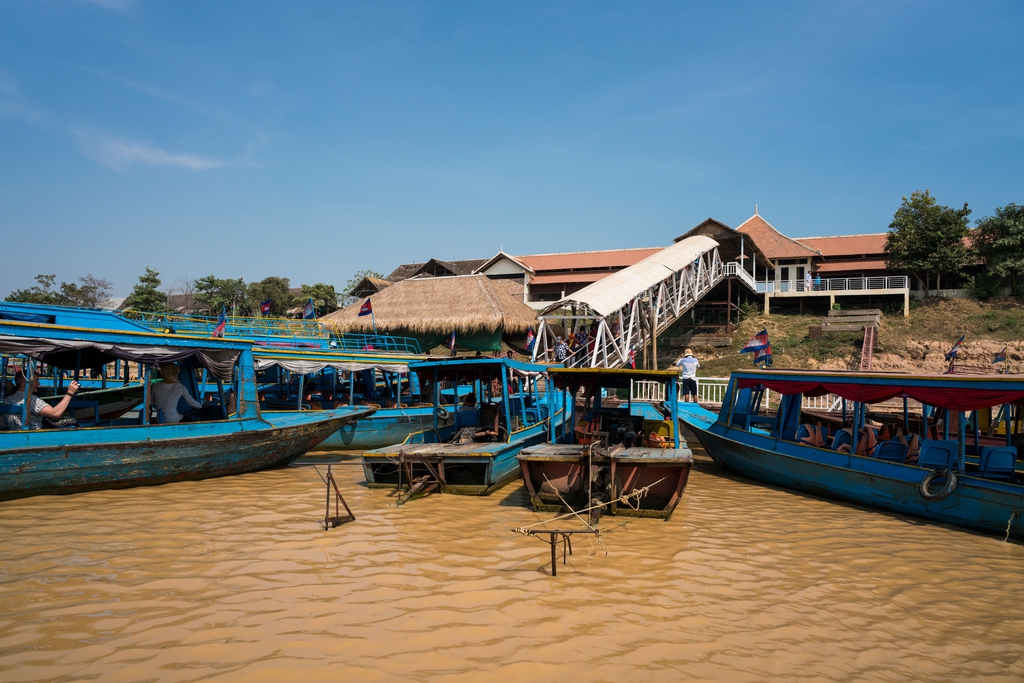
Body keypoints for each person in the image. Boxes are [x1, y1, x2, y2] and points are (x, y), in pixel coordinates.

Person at [2, 370, 80, 429]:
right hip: (34, 436)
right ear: (24, 384)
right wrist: (70, 393)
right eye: (36, 381)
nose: (39, 383)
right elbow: (56, 413)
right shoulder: (31, 400)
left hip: (15, 436)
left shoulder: (6, 400)